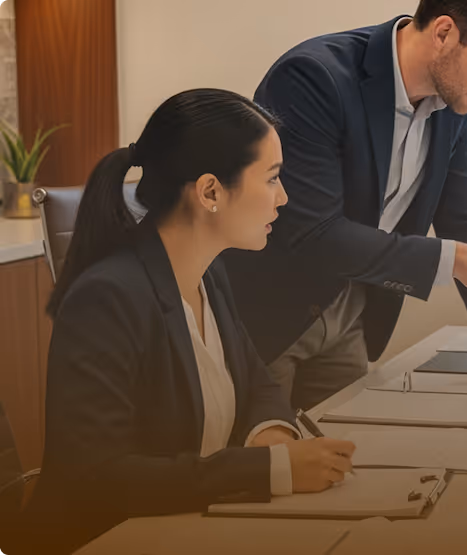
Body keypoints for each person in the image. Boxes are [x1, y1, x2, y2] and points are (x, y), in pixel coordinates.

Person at [24, 89, 356, 554]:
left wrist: (274, 437)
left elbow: (255, 382)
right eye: (272, 179)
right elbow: (96, 478)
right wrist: (269, 471)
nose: (284, 197)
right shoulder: (107, 298)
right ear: (210, 192)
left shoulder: (208, 273)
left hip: (191, 527)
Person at [222, 0, 467, 411]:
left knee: (341, 457)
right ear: (444, 34)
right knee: (271, 463)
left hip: (351, 311)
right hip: (270, 315)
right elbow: (311, 230)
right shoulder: (314, 77)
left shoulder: (452, 97)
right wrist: (452, 260)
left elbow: (461, 214)